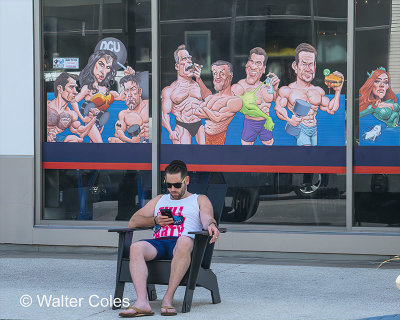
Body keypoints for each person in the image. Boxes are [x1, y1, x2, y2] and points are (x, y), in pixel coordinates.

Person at [119, 160, 219, 317]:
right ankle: (142, 303)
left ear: (186, 180)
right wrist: (154, 221)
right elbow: (133, 221)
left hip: (182, 245)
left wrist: (211, 225)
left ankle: (167, 299)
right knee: (136, 247)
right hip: (159, 243)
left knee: (185, 240)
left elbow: (207, 217)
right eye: (169, 185)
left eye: (177, 185)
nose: (173, 189)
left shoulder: (199, 199)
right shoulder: (160, 199)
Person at [275, 43, 344, 146]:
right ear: (295, 66)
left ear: (315, 66)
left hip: (314, 130)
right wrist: (289, 120)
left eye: (311, 64)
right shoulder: (288, 90)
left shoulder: (318, 91)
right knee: (307, 156)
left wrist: (338, 91)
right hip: (300, 130)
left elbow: (331, 109)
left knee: (314, 158)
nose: (308, 68)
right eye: (304, 64)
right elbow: (278, 108)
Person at [161, 45, 211, 145]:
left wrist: (199, 79)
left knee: (205, 155)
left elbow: (209, 98)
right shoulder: (170, 90)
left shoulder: (197, 85)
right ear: (177, 66)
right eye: (184, 59)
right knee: (183, 155)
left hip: (199, 124)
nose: (189, 61)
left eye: (189, 58)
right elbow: (164, 114)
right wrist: (171, 131)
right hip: (182, 126)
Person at [231, 47, 280, 145]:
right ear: (246, 64)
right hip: (250, 123)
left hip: (265, 123)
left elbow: (276, 100)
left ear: (264, 69)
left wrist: (276, 87)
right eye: (251, 61)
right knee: (246, 147)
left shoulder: (267, 86)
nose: (253, 66)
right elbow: (228, 102)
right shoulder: (240, 86)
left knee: (269, 143)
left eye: (258, 63)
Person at [194, 60, 242, 145]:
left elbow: (217, 118)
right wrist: (212, 114)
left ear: (230, 76)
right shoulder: (213, 97)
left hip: (220, 139)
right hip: (205, 138)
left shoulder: (235, 101)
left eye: (222, 74)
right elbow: (197, 112)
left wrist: (205, 109)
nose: (217, 77)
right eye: (215, 73)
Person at [47, 72, 96, 142]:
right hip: (40, 143)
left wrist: (94, 118)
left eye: (76, 88)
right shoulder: (47, 106)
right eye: (71, 87)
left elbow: (81, 133)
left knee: (74, 139)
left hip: (55, 144)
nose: (75, 92)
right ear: (60, 88)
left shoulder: (71, 114)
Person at [108, 73, 149, 143]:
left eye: (132, 89)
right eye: (127, 90)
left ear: (139, 92)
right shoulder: (123, 115)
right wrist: (131, 140)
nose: (130, 95)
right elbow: (119, 131)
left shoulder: (148, 105)